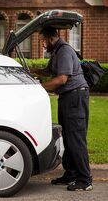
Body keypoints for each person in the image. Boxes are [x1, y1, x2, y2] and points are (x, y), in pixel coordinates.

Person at [34, 26, 92, 191]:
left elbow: (61, 79)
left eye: (43, 41)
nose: (43, 45)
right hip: (68, 97)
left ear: (52, 38)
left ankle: (84, 180)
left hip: (75, 97)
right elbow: (49, 70)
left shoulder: (64, 51)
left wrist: (38, 88)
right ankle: (71, 175)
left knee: (76, 139)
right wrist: (31, 71)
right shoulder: (57, 51)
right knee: (68, 137)